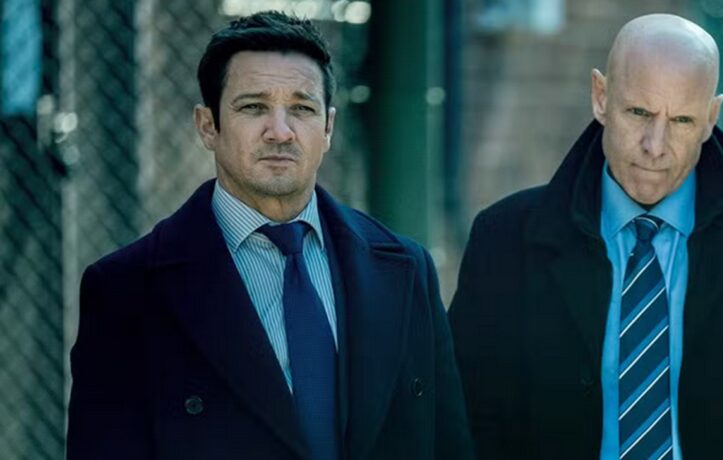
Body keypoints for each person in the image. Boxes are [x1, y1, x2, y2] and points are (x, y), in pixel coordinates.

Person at [67, 11, 473, 460]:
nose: (280, 131)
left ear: (328, 128)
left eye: (302, 108)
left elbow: (449, 444)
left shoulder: (406, 269)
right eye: (253, 107)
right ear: (208, 126)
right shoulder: (126, 289)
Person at [449, 13, 723, 459]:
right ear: (600, 97)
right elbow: (466, 426)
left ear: (711, 119)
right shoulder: (503, 240)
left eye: (682, 121)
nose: (655, 145)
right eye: (639, 112)